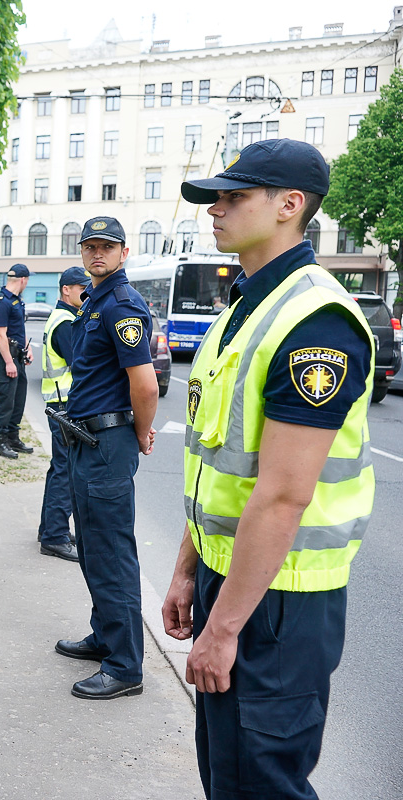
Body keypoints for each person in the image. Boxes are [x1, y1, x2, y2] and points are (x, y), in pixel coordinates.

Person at [162, 139, 374, 799]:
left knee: (262, 783)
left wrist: (223, 628)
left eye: (233, 197)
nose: (214, 211)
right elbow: (220, 472)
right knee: (230, 775)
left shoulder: (315, 323)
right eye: (215, 198)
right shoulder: (244, 306)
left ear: (290, 206)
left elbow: (283, 497)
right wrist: (187, 570)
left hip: (280, 602)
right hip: (234, 579)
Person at [54, 216, 158, 700]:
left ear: (123, 251)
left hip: (108, 444)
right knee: (94, 546)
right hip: (87, 441)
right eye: (90, 246)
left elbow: (145, 383)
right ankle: (106, 636)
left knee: (112, 553)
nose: (98, 253)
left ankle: (125, 666)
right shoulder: (96, 300)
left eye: (107, 246)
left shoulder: (122, 305)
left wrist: (139, 434)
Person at [36, 266, 92, 562]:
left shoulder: (64, 317)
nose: (86, 292)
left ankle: (50, 528)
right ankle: (54, 537)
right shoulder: (66, 323)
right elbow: (80, 366)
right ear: (65, 290)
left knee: (59, 468)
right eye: (80, 287)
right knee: (65, 472)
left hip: (59, 405)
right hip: (65, 407)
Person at [0, 264, 33, 458]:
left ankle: (13, 438)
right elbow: (0, 335)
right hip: (7, 357)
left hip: (18, 356)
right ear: (23, 280)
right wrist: (8, 362)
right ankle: (0, 442)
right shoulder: (2, 303)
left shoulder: (17, 301)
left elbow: (18, 330)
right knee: (5, 400)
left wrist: (28, 348)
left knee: (18, 399)